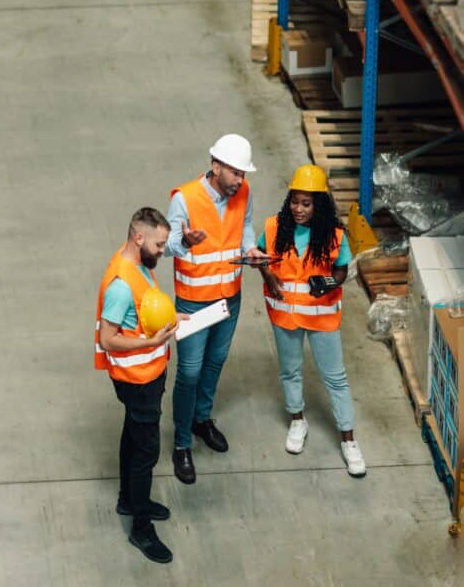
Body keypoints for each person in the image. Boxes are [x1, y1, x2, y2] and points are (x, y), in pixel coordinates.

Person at [256, 164, 366, 477]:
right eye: (294, 201)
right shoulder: (274, 227)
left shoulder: (334, 235)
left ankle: (348, 439)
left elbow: (341, 269)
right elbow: (259, 254)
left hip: (321, 317)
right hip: (285, 315)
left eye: (306, 203)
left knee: (335, 378)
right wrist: (267, 274)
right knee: (290, 371)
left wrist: (331, 282)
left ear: (319, 205)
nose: (299, 209)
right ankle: (297, 421)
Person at [165, 134, 256, 484]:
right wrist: (184, 242)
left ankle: (201, 419)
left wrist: (249, 250)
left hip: (229, 297)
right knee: (189, 372)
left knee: (215, 361)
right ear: (216, 166)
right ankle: (182, 443)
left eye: (243, 174)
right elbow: (166, 246)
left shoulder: (243, 192)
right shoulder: (185, 198)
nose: (240, 180)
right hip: (193, 301)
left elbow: (244, 225)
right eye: (235, 172)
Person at [95, 207, 179, 564]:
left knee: (132, 434)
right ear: (139, 237)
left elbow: (144, 312)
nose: (163, 251)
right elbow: (108, 338)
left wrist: (171, 320)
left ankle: (129, 500)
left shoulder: (138, 263)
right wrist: (152, 342)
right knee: (146, 453)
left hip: (147, 373)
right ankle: (141, 529)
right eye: (159, 245)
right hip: (137, 379)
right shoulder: (120, 285)